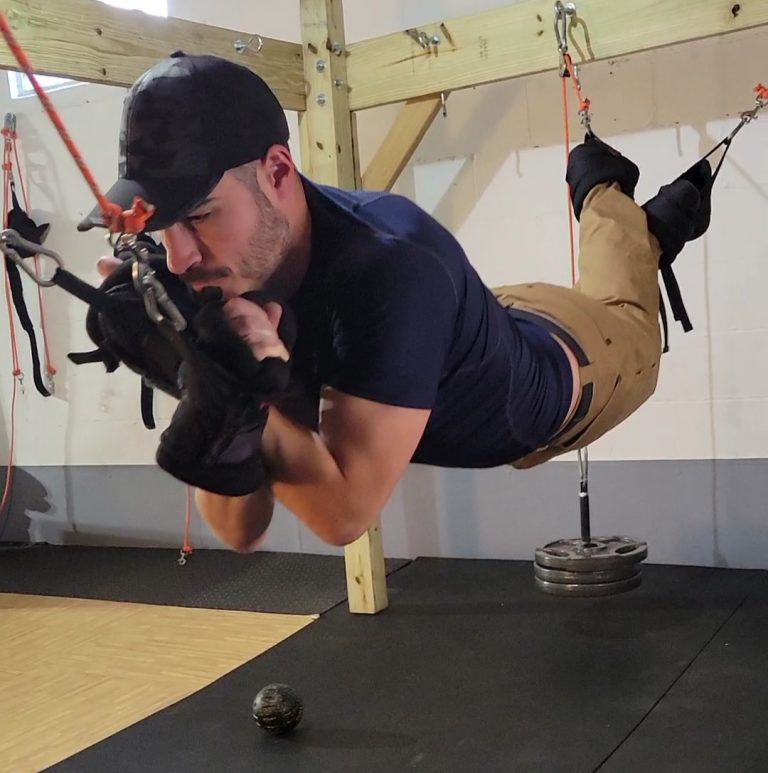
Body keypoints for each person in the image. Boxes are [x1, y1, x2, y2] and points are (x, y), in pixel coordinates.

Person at [82, 52, 712, 551]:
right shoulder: (228, 271)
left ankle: (608, 193)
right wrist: (199, 375)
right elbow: (241, 528)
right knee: (443, 308)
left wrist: (208, 374)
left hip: (583, 366)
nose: (179, 258)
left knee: (624, 296)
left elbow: (340, 515)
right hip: (474, 321)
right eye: (159, 229)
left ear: (278, 170)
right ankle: (638, 227)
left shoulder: (392, 269)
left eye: (198, 216)